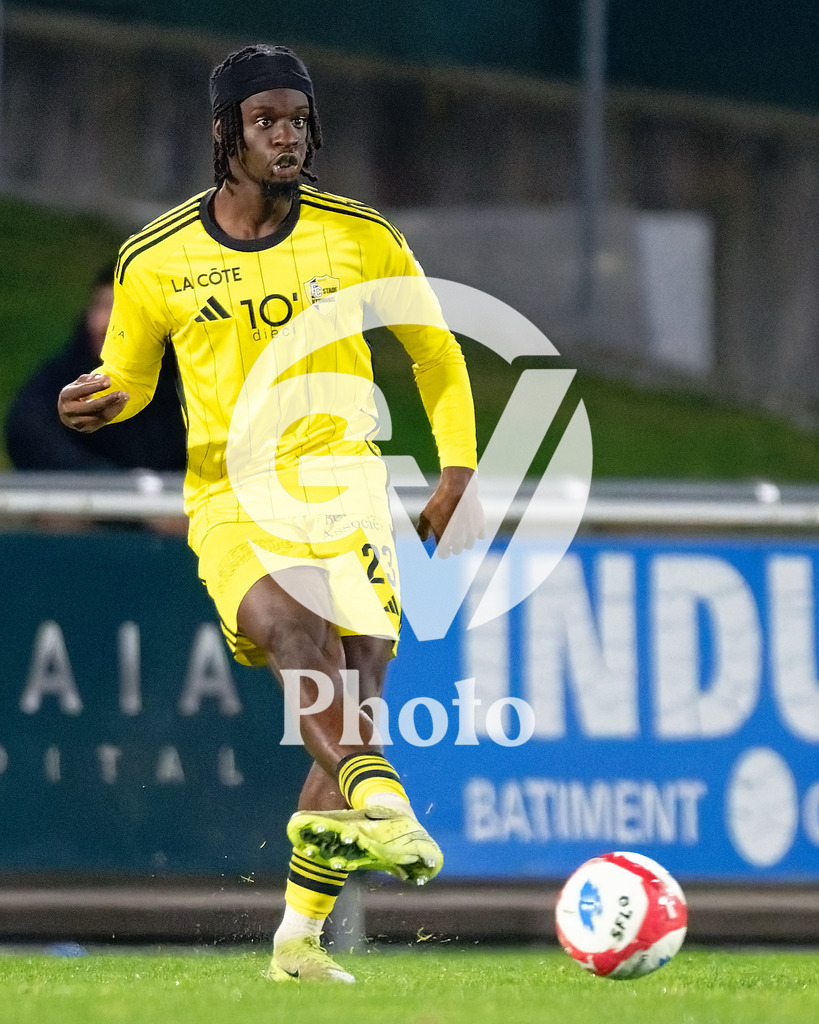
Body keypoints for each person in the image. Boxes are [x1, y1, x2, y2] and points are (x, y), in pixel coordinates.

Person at [57, 43, 481, 983]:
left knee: (359, 676)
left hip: (345, 486)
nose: (286, 136)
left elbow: (434, 352)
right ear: (225, 133)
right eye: (266, 121)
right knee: (296, 634)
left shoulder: (360, 236)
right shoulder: (155, 258)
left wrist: (458, 466)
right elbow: (129, 381)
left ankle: (296, 940)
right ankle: (380, 798)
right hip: (231, 495)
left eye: (298, 120)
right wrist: (96, 401)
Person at [6, 265, 186, 472]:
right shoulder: (55, 383)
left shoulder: (184, 383)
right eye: (105, 306)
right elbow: (29, 435)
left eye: (130, 310)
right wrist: (114, 484)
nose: (112, 322)